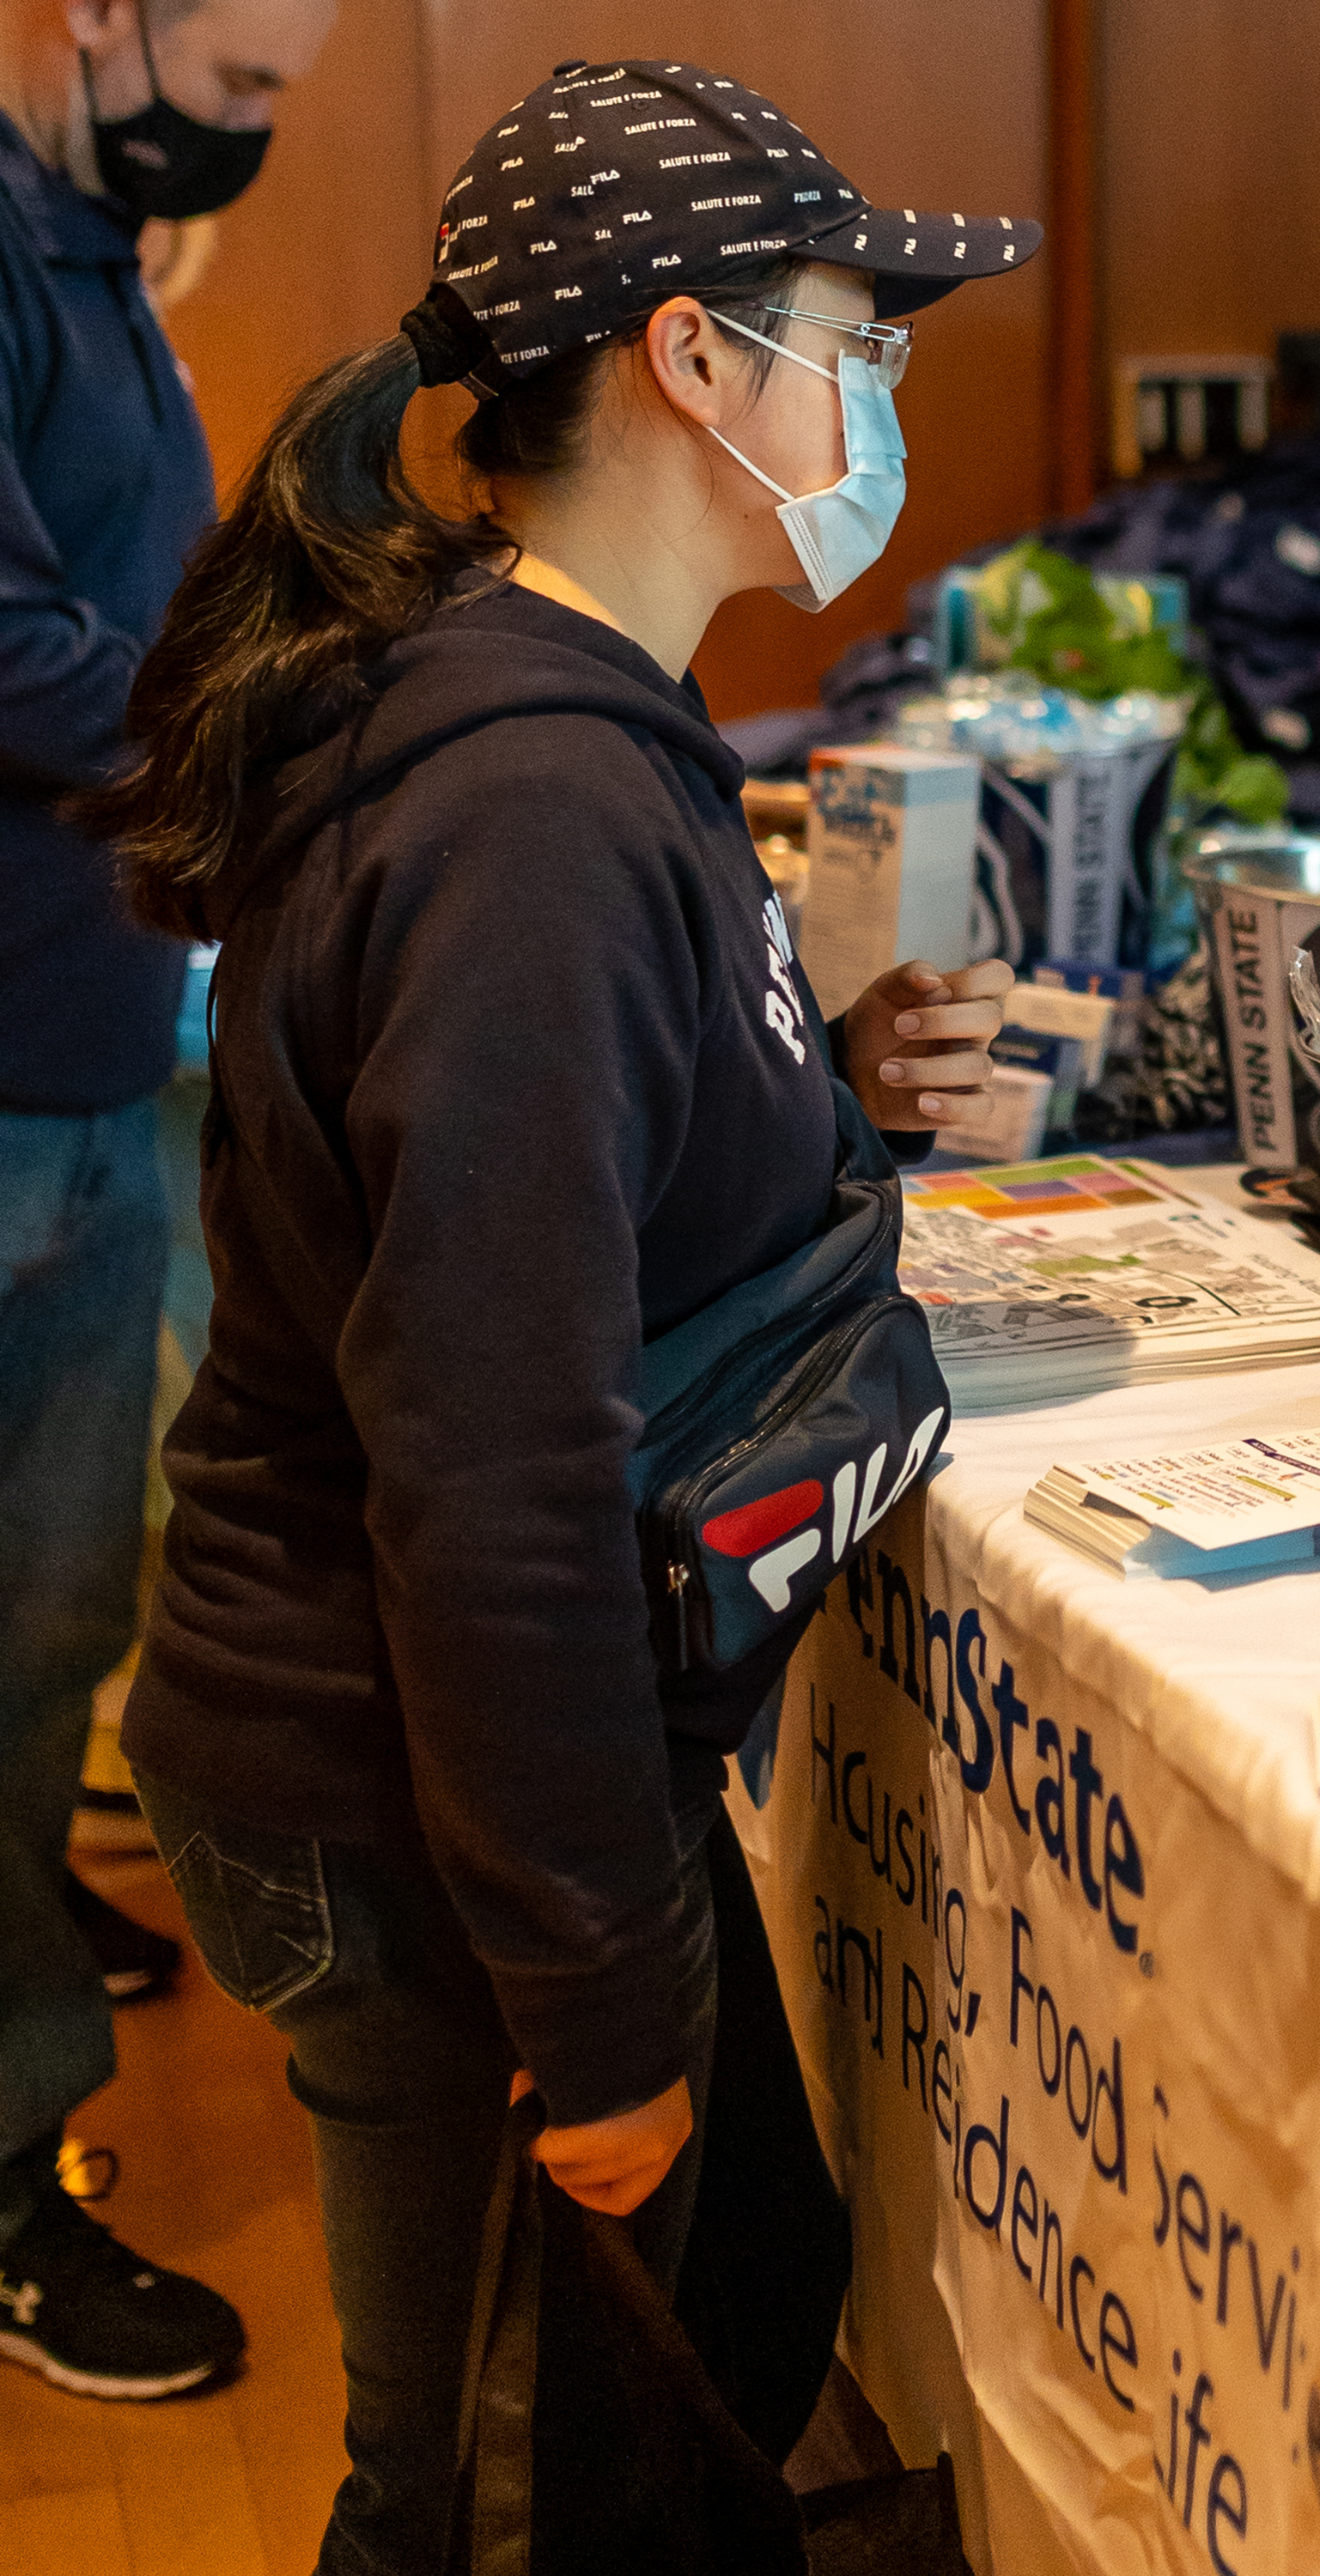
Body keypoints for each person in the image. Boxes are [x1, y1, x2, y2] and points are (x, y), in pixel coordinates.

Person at [76, 58, 1033, 2556]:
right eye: (857, 336)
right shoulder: (527, 802)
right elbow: (488, 1455)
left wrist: (808, 1081)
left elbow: (547, 1192)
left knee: (702, 2334)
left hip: (473, 1759)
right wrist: (597, 2011)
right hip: (410, 1775)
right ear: (692, 362)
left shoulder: (574, 727)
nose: (880, 399)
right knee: (498, 2482)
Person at [0, 0, 337, 2404]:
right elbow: (20, 646)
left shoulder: (90, 247)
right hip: (4, 1071)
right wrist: (301, 735)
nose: (242, 127)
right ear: (92, 15)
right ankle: (10, 2186)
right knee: (9, 1622)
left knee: (55, 1606)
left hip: (83, 1036)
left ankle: (22, 1912)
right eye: (231, 72)